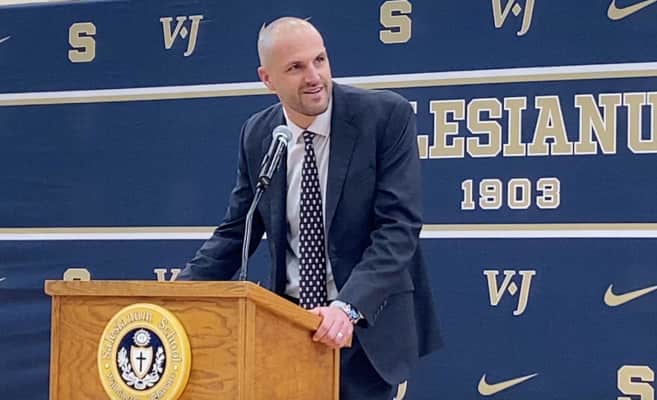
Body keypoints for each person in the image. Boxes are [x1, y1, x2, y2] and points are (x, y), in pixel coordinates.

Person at [178, 17, 442, 400]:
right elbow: (238, 231)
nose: (314, 76)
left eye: (320, 60)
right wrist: (176, 295)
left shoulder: (385, 116)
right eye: (296, 67)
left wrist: (346, 308)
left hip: (363, 325)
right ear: (267, 79)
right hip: (287, 327)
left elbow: (398, 228)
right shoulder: (259, 134)